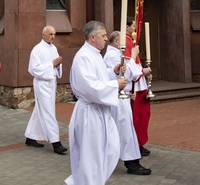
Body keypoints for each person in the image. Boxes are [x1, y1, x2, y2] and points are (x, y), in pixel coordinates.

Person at [65, 21, 126, 185]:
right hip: (90, 114)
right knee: (92, 158)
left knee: (111, 150)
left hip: (100, 112)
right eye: (103, 36)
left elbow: (99, 78)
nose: (106, 39)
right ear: (93, 37)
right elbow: (90, 87)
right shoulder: (83, 56)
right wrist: (115, 84)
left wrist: (113, 72)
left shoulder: (95, 54)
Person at [103, 31, 151, 175]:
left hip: (122, 96)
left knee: (121, 130)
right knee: (125, 130)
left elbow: (133, 72)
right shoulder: (112, 55)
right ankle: (132, 163)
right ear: (117, 42)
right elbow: (129, 73)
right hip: (117, 96)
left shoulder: (116, 54)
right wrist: (134, 56)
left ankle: (118, 158)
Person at [24, 26, 67, 154]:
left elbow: (55, 64)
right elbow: (33, 69)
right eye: (50, 34)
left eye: (54, 34)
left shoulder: (53, 48)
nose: (52, 36)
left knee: (40, 110)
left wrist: (57, 65)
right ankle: (55, 142)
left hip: (51, 82)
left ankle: (31, 137)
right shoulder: (37, 49)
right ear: (43, 35)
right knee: (48, 111)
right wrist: (52, 65)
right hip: (42, 83)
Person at [125, 18, 153, 157]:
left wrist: (145, 72)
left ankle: (139, 143)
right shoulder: (125, 42)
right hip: (134, 87)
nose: (135, 28)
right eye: (133, 25)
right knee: (136, 117)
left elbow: (136, 63)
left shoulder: (132, 40)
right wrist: (142, 72)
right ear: (127, 27)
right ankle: (135, 144)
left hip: (141, 84)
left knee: (143, 115)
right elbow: (129, 69)